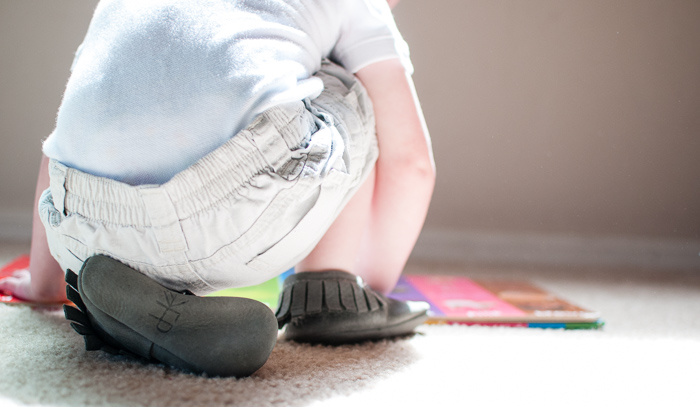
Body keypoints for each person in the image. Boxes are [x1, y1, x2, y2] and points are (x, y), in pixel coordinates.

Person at [0, 0, 435, 376]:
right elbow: (411, 164)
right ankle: (333, 294)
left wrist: (45, 282)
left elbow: (61, 138)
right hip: (232, 221)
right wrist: (374, 288)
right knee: (352, 84)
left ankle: (129, 303)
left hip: (80, 231)